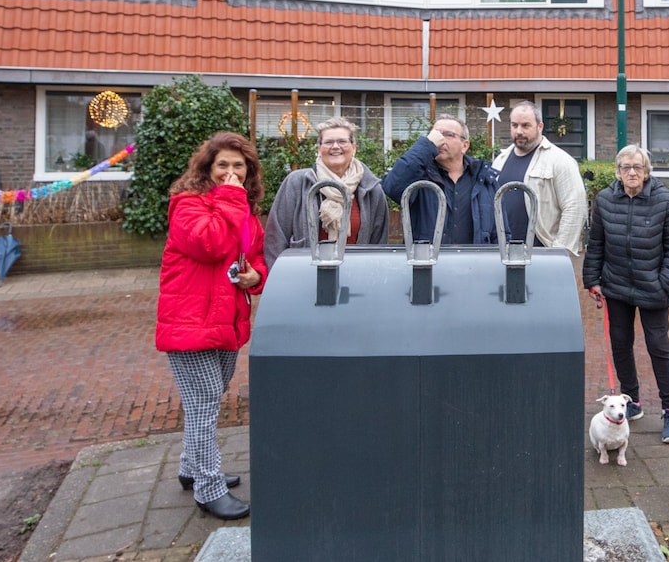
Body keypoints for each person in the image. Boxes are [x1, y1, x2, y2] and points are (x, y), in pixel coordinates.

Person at [155, 131, 267, 520]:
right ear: (207, 168)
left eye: (240, 166)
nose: (231, 173)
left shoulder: (244, 211)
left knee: (205, 400)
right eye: (223, 165)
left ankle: (191, 468)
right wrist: (231, 198)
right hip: (190, 322)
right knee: (204, 404)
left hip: (227, 321)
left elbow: (253, 256)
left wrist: (257, 277)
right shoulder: (187, 205)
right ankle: (208, 487)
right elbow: (210, 245)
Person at [582, 145, 669, 443]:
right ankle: (633, 402)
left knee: (658, 346)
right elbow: (597, 243)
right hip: (616, 286)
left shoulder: (665, 201)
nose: (632, 172)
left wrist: (664, 283)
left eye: (637, 167)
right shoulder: (604, 200)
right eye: (626, 167)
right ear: (617, 171)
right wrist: (592, 279)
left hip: (653, 287)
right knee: (621, 344)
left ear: (646, 172)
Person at [264, 116, 390, 270]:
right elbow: (275, 238)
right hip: (302, 276)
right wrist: (279, 277)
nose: (335, 147)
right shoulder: (297, 183)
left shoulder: (371, 189)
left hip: (356, 277)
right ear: (319, 148)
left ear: (354, 147)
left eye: (342, 141)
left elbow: (378, 244)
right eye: (329, 142)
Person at [381, 113, 498, 244]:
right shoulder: (420, 177)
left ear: (464, 145)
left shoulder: (484, 178)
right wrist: (426, 146)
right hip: (428, 261)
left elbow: (500, 232)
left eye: (449, 134)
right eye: (436, 134)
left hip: (475, 262)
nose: (440, 139)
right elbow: (392, 186)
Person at [492, 101, 587, 254]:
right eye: (514, 125)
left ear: (540, 126)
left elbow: (574, 208)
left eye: (525, 125)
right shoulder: (500, 160)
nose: (519, 131)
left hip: (542, 254)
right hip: (504, 252)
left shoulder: (560, 161)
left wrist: (559, 252)